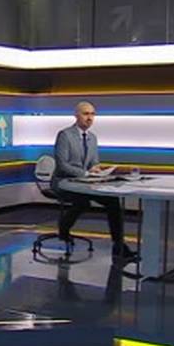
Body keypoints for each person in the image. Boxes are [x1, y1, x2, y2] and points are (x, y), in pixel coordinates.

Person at [51, 101, 137, 261]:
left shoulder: (92, 138)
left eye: (92, 114)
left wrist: (97, 170)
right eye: (86, 114)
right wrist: (85, 173)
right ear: (76, 116)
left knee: (112, 201)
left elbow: (93, 162)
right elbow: (62, 165)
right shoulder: (65, 135)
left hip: (84, 183)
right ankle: (63, 229)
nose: (89, 118)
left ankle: (118, 246)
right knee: (83, 202)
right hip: (64, 182)